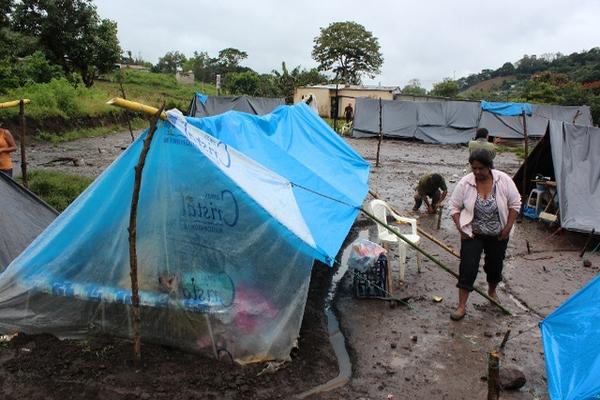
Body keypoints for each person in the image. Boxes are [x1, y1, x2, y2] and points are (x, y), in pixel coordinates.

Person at [448, 149, 521, 321]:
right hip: (473, 234)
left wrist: (508, 227)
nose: (477, 172)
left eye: (480, 168)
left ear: (489, 166)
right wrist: (461, 228)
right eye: (474, 168)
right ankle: (461, 306)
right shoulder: (466, 183)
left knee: (494, 266)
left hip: (498, 234)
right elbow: (454, 206)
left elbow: (515, 203)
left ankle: (492, 291)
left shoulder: (503, 180)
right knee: (468, 266)